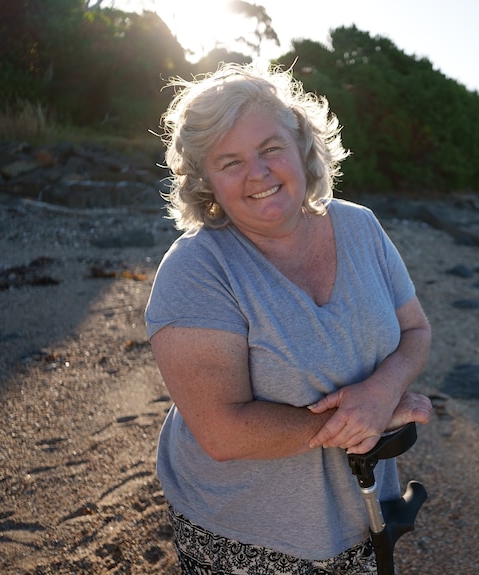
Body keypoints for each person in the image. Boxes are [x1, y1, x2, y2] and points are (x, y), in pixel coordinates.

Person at [145, 61, 433, 575]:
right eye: (229, 161)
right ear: (206, 180)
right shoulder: (197, 271)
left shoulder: (360, 226)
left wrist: (383, 390)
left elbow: (415, 329)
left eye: (270, 149)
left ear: (302, 148)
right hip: (247, 533)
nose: (257, 173)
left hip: (364, 512)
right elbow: (224, 433)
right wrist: (358, 421)